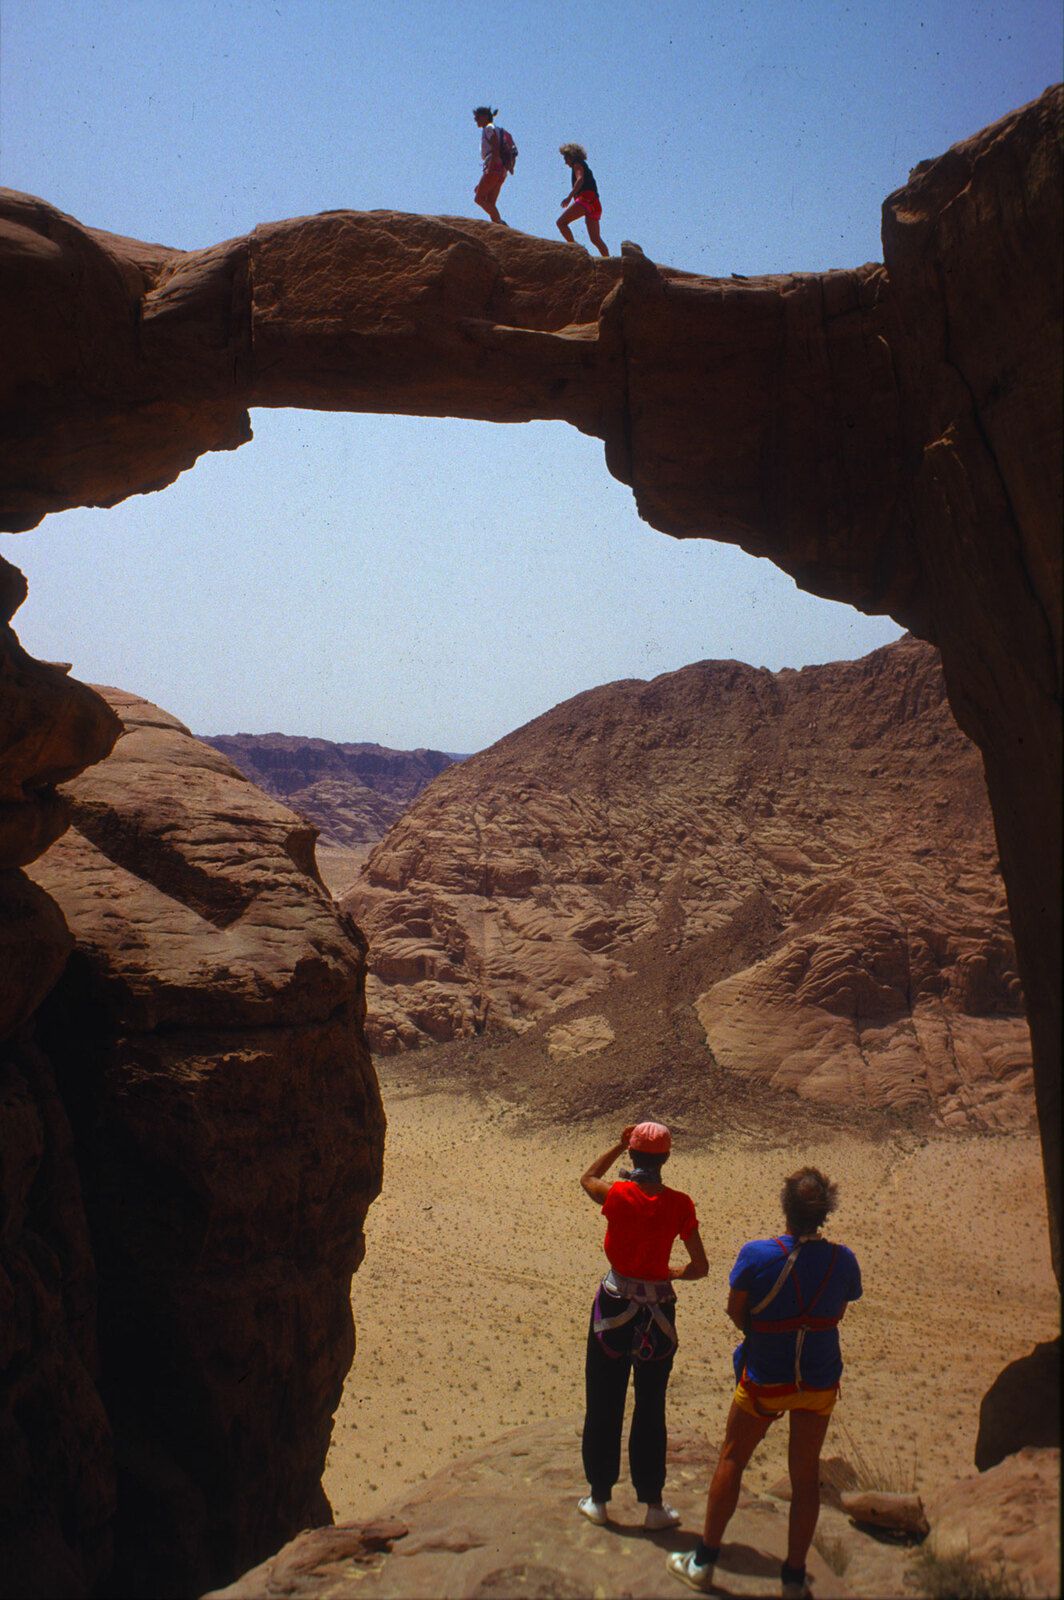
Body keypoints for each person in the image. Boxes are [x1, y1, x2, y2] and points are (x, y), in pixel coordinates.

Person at [667, 1168, 863, 1599]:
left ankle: (703, 1562)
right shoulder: (842, 1259)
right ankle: (793, 1580)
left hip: (764, 1378)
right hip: (818, 1380)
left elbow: (736, 1310)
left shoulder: (757, 1255)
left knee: (733, 1458)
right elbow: (841, 1309)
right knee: (805, 1475)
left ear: (785, 1207)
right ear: (825, 1212)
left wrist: (761, 1333)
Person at [579, 1121, 708, 1529]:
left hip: (613, 1307)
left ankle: (599, 1500)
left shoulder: (617, 1195)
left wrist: (617, 1145)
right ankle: (652, 1505)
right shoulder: (680, 1204)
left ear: (634, 1155)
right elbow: (700, 1268)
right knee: (651, 1405)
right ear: (667, 1158)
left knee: (604, 1400)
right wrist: (667, 1271)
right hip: (659, 1316)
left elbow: (587, 1178)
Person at [557, 142, 609, 256]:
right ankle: (609, 261)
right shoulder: (582, 164)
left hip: (586, 199)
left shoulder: (577, 164)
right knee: (595, 239)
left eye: (566, 158)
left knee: (561, 223)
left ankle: (575, 250)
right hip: (595, 204)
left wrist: (569, 197)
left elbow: (580, 179)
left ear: (571, 156)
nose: (565, 162)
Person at [473, 106, 508, 224]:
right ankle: (499, 227)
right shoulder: (496, 129)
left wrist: (492, 163)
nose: (475, 120)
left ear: (485, 117)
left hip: (493, 165)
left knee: (479, 198)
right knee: (490, 203)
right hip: (502, 169)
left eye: (477, 117)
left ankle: (500, 223)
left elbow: (495, 144)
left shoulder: (488, 128)